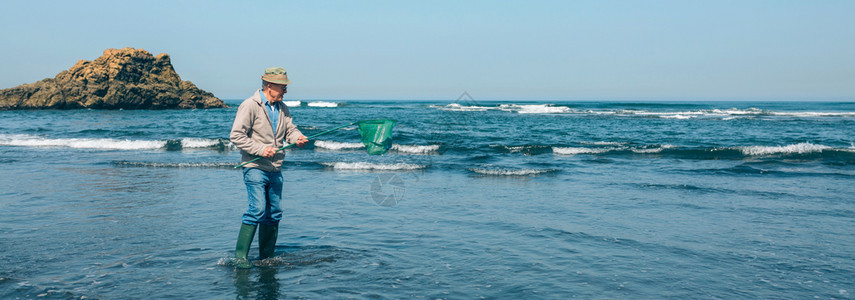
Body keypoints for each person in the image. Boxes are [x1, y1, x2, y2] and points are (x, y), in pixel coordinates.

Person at [230, 67, 308, 268]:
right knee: (257, 209)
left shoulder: (282, 108)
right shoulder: (250, 105)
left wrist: (297, 138)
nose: (285, 91)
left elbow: (290, 129)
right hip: (254, 166)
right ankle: (240, 258)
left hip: (276, 168)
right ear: (269, 85)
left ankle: (266, 258)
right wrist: (260, 149)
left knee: (274, 212)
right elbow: (237, 136)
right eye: (282, 87)